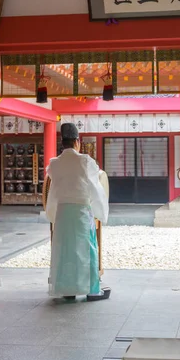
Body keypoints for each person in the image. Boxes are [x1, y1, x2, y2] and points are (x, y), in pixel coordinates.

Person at [45, 123, 110, 301]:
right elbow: (95, 186)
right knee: (87, 250)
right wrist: (100, 210)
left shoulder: (54, 164)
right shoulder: (85, 161)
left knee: (64, 250)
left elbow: (54, 183)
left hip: (62, 212)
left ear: (62, 142)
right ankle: (91, 290)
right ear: (76, 141)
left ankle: (67, 290)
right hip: (81, 211)